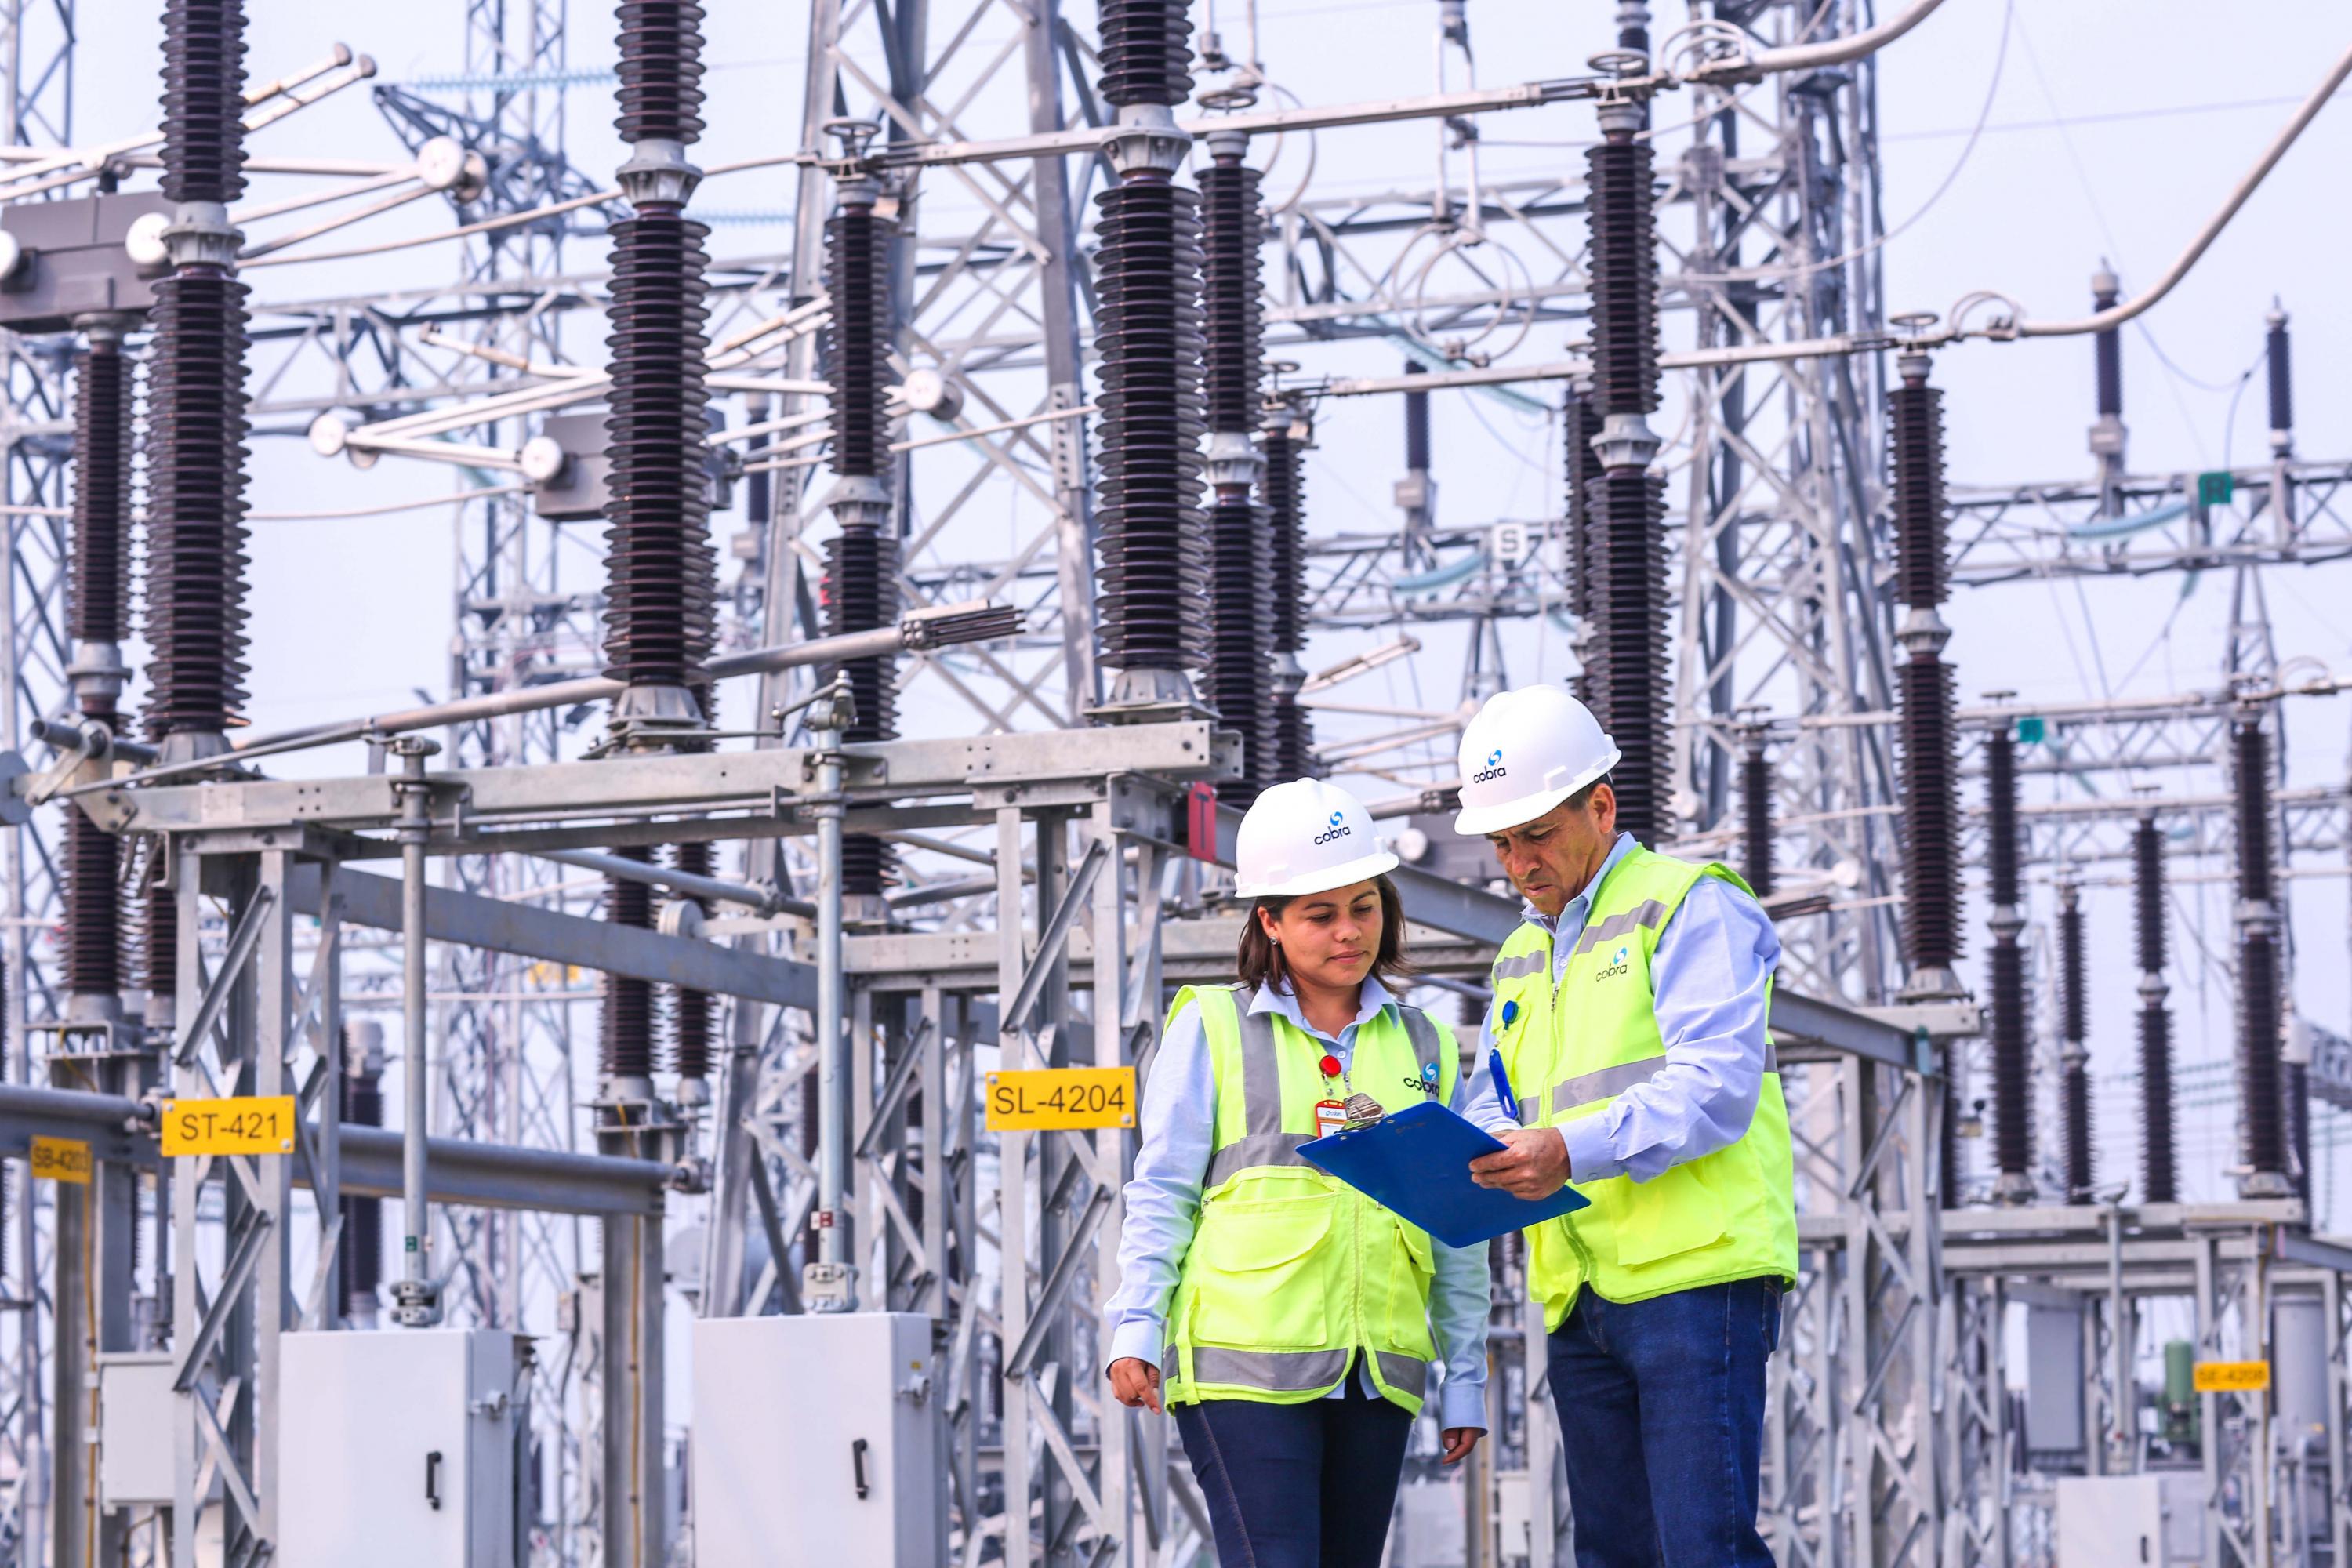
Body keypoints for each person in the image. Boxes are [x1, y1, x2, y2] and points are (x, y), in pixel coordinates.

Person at [1104, 777, 1505, 1568]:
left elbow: (1457, 1223)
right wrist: (1136, 1325)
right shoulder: (1212, 1028)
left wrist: (1464, 1377)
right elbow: (1163, 1190)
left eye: (1364, 905)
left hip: (1376, 1374)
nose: (1349, 930)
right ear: (1271, 921)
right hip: (1242, 1368)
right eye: (1320, 914)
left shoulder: (1424, 1043)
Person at [1454, 684, 1795, 1568]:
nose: (1518, 860)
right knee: (1615, 1554)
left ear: (1601, 806)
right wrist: (1453, 1149)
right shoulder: (1523, 953)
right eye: (1501, 841)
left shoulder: (1686, 903)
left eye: (1536, 832)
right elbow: (1498, 1100)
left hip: (1693, 1279)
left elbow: (1716, 1086)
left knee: (1705, 1549)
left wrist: (1568, 1146)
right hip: (1583, 1291)